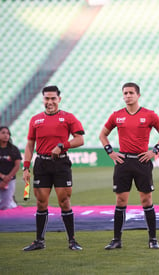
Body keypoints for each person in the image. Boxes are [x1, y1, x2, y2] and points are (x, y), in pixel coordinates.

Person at [99, 82, 159, 250]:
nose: (128, 96)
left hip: (142, 161)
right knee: (120, 200)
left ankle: (153, 239)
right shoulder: (117, 115)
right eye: (125, 93)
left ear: (138, 95)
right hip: (123, 162)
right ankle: (116, 239)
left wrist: (154, 151)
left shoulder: (149, 115)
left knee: (146, 200)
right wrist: (110, 152)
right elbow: (102, 135)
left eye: (131, 93)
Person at [22, 86, 85, 251]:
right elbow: (30, 144)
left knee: (64, 201)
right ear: (43, 99)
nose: (49, 102)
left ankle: (72, 241)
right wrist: (26, 167)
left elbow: (80, 140)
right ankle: (39, 241)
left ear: (59, 99)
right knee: (41, 203)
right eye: (46, 99)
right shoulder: (35, 120)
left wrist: (62, 145)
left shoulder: (68, 118)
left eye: (53, 99)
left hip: (61, 163)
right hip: (41, 164)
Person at [0, 126, 21, 210]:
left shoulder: (13, 149)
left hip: (10, 180)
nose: (6, 135)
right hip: (1, 177)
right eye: (3, 133)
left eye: (8, 133)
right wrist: (2, 177)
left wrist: (7, 179)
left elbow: (17, 165)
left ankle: (12, 202)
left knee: (5, 205)